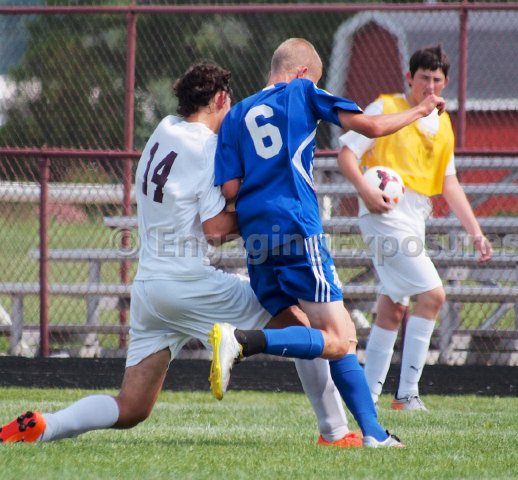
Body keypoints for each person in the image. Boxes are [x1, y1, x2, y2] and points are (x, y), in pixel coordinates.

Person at [0, 62, 362, 448]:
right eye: (229, 105)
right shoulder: (206, 147)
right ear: (220, 99)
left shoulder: (164, 129)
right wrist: (264, 211)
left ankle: (44, 425)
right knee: (305, 329)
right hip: (188, 283)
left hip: (150, 289)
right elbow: (215, 230)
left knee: (132, 406)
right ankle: (335, 433)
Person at [212, 38, 445, 448]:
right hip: (296, 226)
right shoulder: (302, 91)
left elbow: (230, 188)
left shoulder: (236, 115)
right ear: (303, 73)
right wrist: (421, 110)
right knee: (341, 338)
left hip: (255, 235)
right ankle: (243, 341)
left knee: (317, 333)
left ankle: (364, 434)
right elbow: (370, 127)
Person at [336, 45, 493, 411]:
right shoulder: (385, 108)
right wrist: (365, 191)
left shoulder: (443, 124)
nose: (429, 85)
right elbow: (346, 155)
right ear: (409, 77)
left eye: (436, 79)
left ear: (445, 82)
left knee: (392, 306)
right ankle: (407, 394)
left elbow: (449, 183)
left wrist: (476, 232)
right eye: (423, 78)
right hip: (383, 213)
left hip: (415, 218)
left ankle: (367, 397)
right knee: (433, 295)